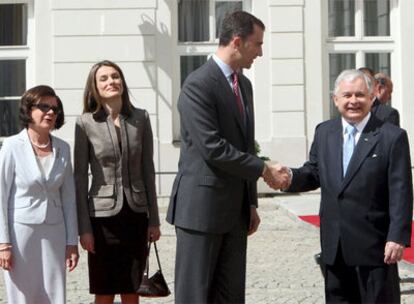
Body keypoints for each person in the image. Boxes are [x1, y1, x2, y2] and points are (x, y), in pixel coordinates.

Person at [167, 11, 286, 304]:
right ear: (237, 41)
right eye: (257, 44)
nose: (260, 51)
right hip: (201, 211)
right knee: (195, 296)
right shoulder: (198, 85)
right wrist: (263, 169)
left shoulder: (243, 85)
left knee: (231, 296)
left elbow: (245, 146)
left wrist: (251, 203)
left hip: (235, 212)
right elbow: (213, 147)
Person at [276, 69, 413, 303]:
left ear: (372, 98)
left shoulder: (392, 137)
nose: (353, 101)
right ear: (335, 99)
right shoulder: (325, 132)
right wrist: (288, 177)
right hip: (335, 248)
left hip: (375, 249)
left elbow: (401, 191)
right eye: (347, 95)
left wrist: (397, 237)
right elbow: (313, 172)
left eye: (360, 95)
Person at [74, 60, 161, 304]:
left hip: (135, 214)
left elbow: (148, 170)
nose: (111, 81)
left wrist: (153, 219)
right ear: (94, 87)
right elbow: (79, 177)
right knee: (104, 290)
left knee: (133, 289)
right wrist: (84, 228)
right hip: (101, 220)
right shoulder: (85, 123)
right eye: (104, 78)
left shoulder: (140, 119)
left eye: (115, 76)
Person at [0, 85, 79, 303]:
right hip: (20, 232)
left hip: (55, 231)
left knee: (54, 292)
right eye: (44, 106)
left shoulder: (63, 148)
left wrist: (72, 242)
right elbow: (1, 195)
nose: (51, 112)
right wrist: (3, 244)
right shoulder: (11, 146)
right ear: (28, 110)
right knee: (23, 294)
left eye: (55, 108)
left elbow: (69, 199)